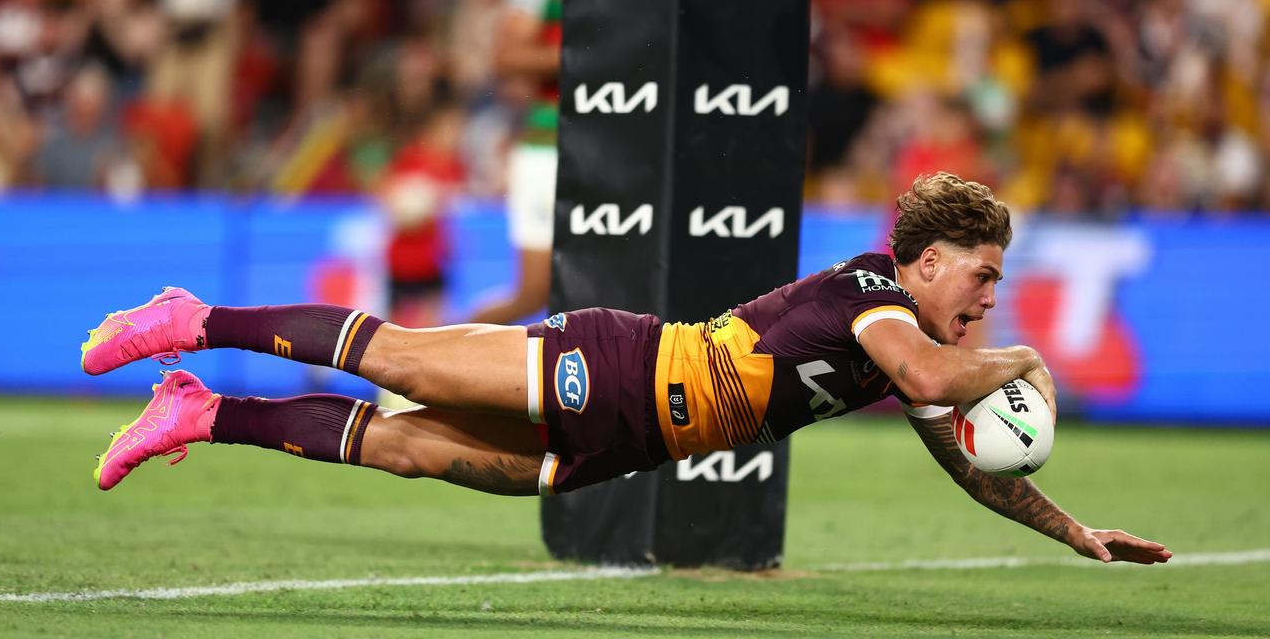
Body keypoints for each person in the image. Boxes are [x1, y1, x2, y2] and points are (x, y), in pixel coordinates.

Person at [82, 173, 1171, 565]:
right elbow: (941, 388)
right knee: (403, 357)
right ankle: (192, 318)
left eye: (996, 284)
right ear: (924, 262)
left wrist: (1070, 530)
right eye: (980, 275)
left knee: (410, 449)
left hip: (632, 443)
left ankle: (200, 413)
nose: (989, 297)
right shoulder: (872, 300)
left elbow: (965, 460)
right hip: (613, 370)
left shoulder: (908, 350)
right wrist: (1020, 359)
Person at [466, 0, 565, 325]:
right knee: (534, 293)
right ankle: (417, 366)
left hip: (619, 147)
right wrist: (598, 61)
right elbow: (507, 56)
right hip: (549, 147)